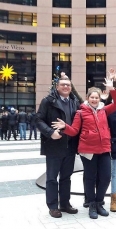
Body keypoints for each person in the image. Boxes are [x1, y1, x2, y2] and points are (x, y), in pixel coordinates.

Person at [52, 79, 116, 219]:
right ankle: (92, 205)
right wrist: (65, 127)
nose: (94, 99)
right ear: (88, 98)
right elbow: (74, 131)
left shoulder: (103, 110)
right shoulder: (81, 113)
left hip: (104, 149)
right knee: (90, 178)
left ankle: (99, 201)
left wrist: (112, 88)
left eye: (96, 97)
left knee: (106, 177)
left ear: (99, 98)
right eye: (92, 97)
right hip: (88, 151)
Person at [35, 77, 80, 218]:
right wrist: (50, 132)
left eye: (68, 85)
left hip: (70, 146)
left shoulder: (75, 102)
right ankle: (53, 206)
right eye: (63, 84)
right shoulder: (48, 101)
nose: (66, 87)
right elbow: (38, 119)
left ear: (71, 87)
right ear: (57, 86)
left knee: (66, 177)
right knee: (52, 178)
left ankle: (65, 204)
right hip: (54, 146)